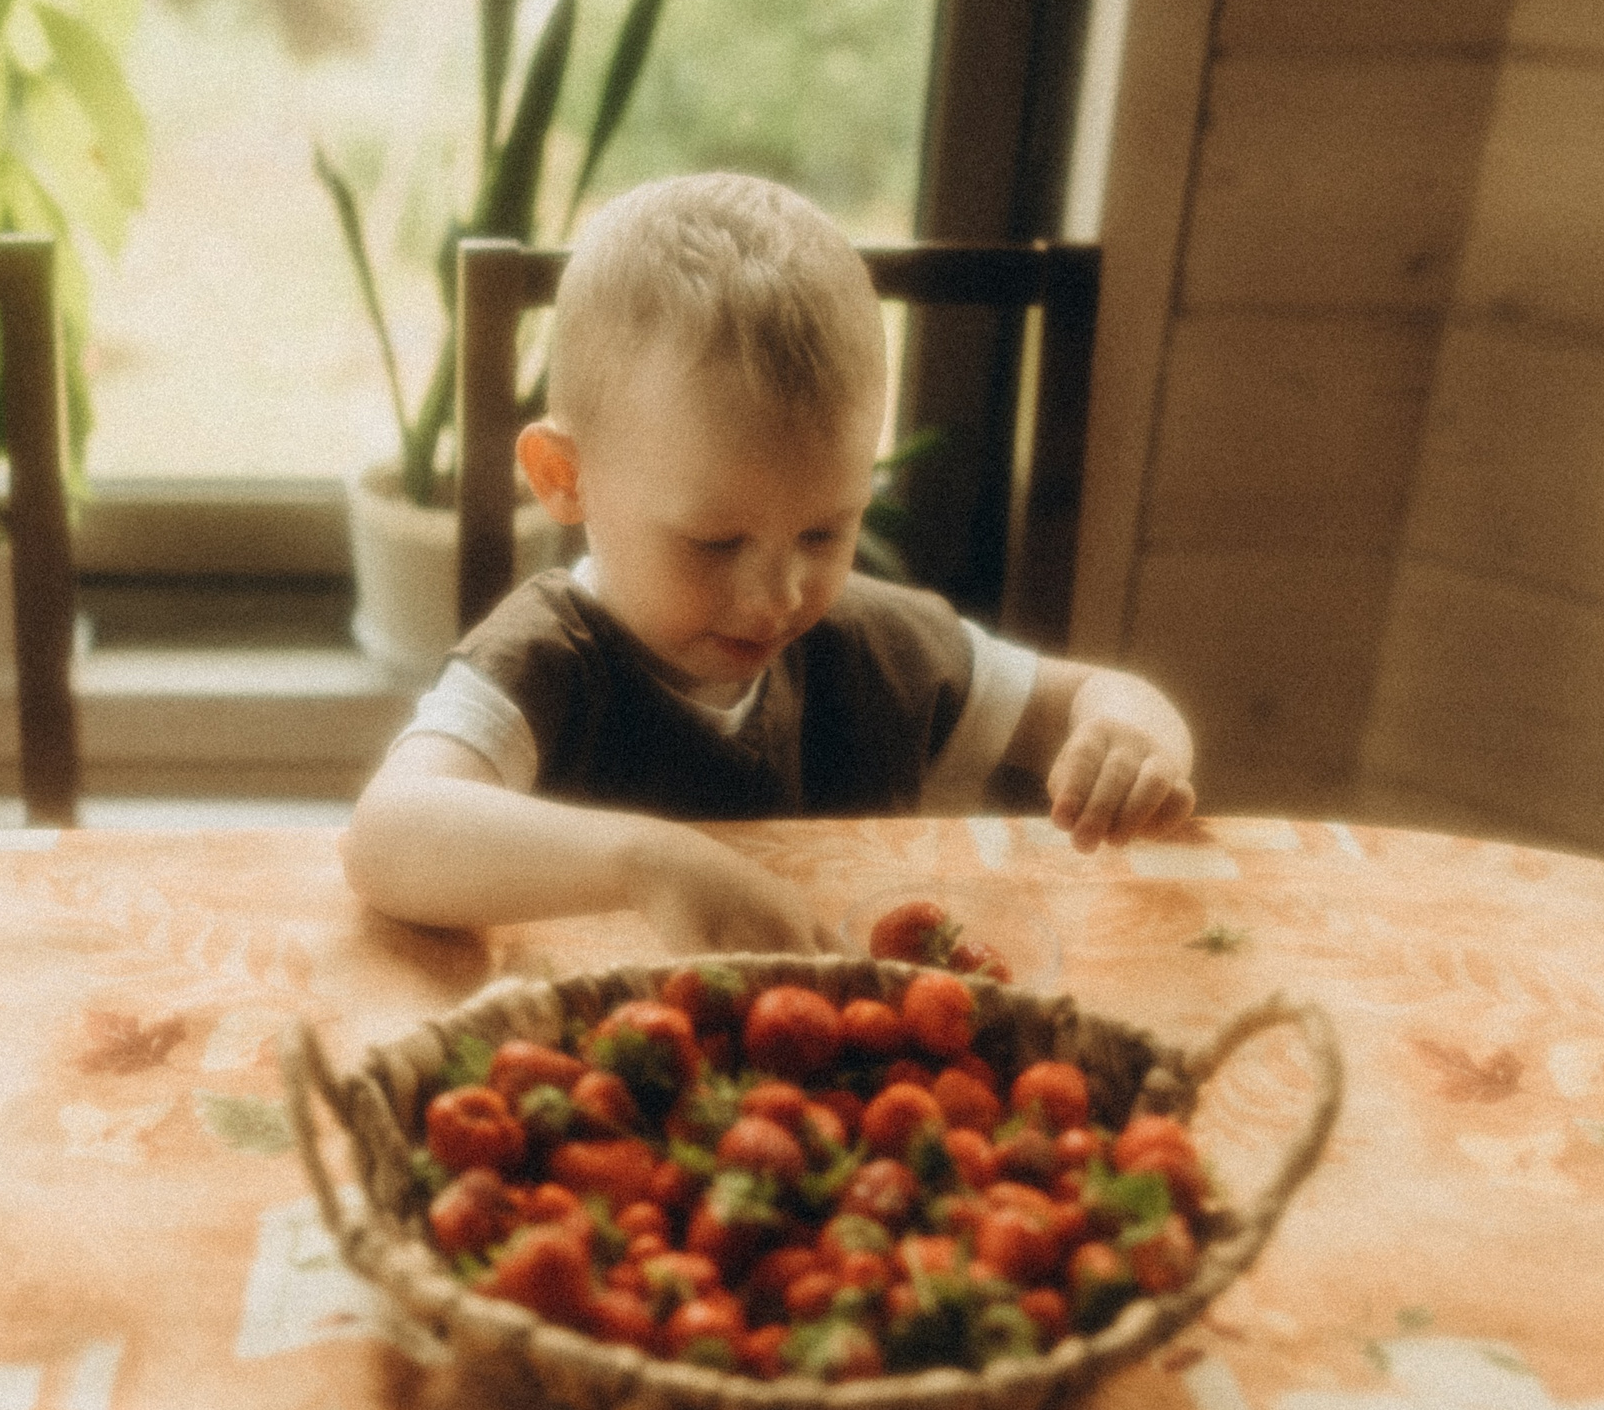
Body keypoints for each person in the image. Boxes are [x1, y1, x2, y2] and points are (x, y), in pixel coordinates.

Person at [342, 173, 1196, 953]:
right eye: (715, 541)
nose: (779, 595)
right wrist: (650, 861)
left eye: (825, 533)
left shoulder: (875, 645)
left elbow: (1087, 695)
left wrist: (1136, 731)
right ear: (566, 479)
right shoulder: (547, 660)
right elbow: (386, 836)